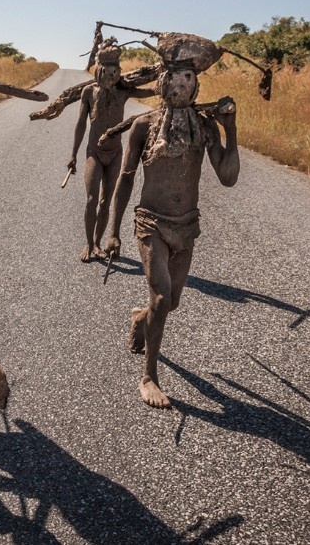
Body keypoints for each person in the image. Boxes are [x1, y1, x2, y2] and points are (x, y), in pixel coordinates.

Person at [102, 32, 240, 409]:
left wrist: (230, 128)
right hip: (151, 223)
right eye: (173, 78)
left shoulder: (204, 127)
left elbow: (227, 177)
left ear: (196, 86)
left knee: (170, 303)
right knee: (162, 297)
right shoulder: (144, 126)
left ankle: (139, 317)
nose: (180, 85)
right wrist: (112, 231)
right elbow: (126, 177)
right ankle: (149, 375)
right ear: (161, 81)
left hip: (187, 226)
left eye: (188, 79)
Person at [66, 37, 156, 262]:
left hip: (115, 154)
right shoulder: (88, 92)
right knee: (91, 199)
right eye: (106, 71)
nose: (111, 76)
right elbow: (80, 124)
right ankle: (88, 243)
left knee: (106, 202)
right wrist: (73, 155)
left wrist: (167, 80)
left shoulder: (123, 92)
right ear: (98, 71)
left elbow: (149, 92)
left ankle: (97, 244)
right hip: (94, 153)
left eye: (115, 71)